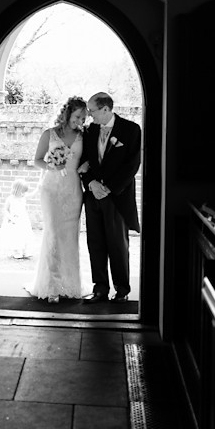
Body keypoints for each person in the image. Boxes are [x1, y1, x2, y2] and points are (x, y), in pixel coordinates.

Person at [79, 92, 141, 304]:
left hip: (117, 197)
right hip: (92, 195)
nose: (89, 115)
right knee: (95, 243)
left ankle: (122, 290)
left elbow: (132, 165)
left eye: (92, 110)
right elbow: (83, 160)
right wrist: (91, 183)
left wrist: (109, 188)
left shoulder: (131, 130)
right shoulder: (89, 131)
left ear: (106, 109)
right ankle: (100, 289)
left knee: (118, 245)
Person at [25, 97, 87, 303]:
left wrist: (85, 167)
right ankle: (51, 286)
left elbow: (89, 160)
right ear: (67, 114)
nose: (80, 120)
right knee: (52, 233)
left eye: (83, 117)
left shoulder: (83, 136)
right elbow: (36, 161)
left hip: (73, 189)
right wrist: (52, 165)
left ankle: (70, 284)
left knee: (70, 235)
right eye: (78, 116)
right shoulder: (49, 134)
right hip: (51, 189)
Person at [0, 179, 34, 259]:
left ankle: (26, 251)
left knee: (25, 235)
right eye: (22, 191)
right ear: (17, 189)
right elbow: (5, 209)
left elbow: (32, 195)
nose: (23, 193)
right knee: (15, 236)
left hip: (23, 220)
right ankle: (17, 252)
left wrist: (38, 189)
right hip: (14, 220)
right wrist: (10, 217)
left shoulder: (24, 197)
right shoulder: (10, 199)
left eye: (24, 192)